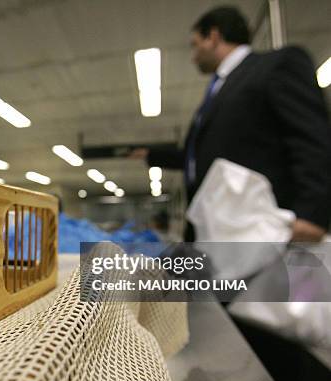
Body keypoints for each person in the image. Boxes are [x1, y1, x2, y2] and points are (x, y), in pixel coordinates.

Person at [130, 6, 331, 242]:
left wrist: (312, 214)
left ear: (213, 37)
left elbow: (310, 137)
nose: (193, 56)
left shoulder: (276, 65)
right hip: (221, 232)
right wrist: (152, 155)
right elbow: (201, 156)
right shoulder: (218, 91)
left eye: (195, 45)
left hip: (267, 229)